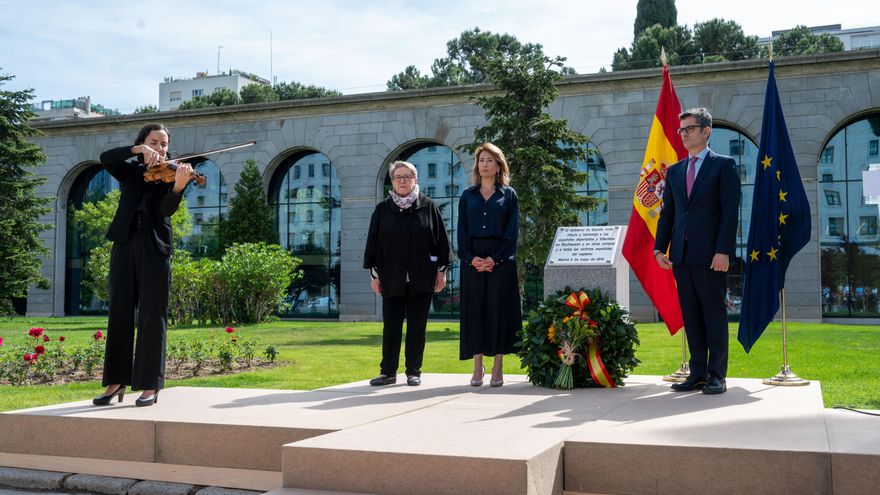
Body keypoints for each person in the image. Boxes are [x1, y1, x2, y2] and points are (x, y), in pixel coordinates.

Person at [92, 123, 194, 407]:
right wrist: (137, 151)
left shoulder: (172, 174)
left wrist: (178, 188)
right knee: (119, 313)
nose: (161, 148)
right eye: (154, 142)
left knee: (152, 315)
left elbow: (165, 211)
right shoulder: (131, 171)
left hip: (154, 247)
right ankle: (115, 382)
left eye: (164, 144)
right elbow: (107, 158)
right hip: (124, 244)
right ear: (142, 143)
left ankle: (150, 385)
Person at [654, 108, 741, 395]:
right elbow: (668, 214)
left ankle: (717, 375)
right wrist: (659, 248)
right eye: (681, 130)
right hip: (681, 255)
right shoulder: (676, 170)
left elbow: (730, 213)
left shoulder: (724, 166)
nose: (683, 134)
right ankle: (698, 373)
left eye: (689, 128)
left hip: (711, 256)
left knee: (713, 316)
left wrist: (723, 250)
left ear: (706, 131)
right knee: (691, 317)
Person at [363, 160, 451, 386]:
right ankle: (388, 373)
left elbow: (441, 242)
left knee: (417, 327)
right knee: (391, 327)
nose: (402, 181)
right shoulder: (383, 209)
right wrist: (375, 276)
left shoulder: (428, 206)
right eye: (398, 177)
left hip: (422, 277)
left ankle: (413, 371)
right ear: (392, 182)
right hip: (391, 278)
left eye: (407, 176)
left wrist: (441, 271)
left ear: (415, 179)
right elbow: (373, 244)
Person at [457, 143, 522, 387]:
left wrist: (495, 259)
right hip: (472, 261)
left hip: (500, 262)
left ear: (498, 166)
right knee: (475, 312)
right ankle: (477, 367)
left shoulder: (509, 195)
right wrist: (471, 258)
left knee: (498, 311)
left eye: (489, 160)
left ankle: (497, 367)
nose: (484, 164)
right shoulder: (467, 196)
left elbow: (511, 232)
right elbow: (461, 232)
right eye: (481, 160)